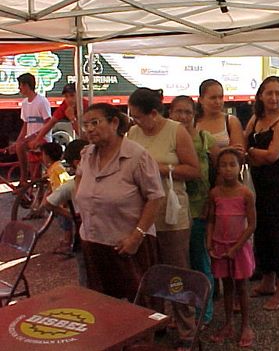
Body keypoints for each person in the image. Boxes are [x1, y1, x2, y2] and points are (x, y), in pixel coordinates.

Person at [127, 88, 199, 349]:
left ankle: (187, 330)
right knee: (149, 271)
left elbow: (194, 170)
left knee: (176, 271)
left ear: (154, 114)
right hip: (143, 213)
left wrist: (160, 168)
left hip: (171, 212)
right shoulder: (133, 133)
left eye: (137, 116)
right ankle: (154, 323)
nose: (133, 121)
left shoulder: (175, 130)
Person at [75, 103, 164, 302]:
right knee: (103, 304)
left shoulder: (137, 156)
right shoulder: (87, 154)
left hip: (128, 245)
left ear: (114, 123)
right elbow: (79, 178)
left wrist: (136, 237)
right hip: (93, 242)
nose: (89, 129)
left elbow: (155, 197)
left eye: (95, 123)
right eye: (86, 124)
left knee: (138, 305)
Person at [246, 76, 279, 311]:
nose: (274, 98)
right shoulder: (257, 118)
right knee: (263, 235)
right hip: (260, 187)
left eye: (278, 93)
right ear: (260, 95)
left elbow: (272, 155)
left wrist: (249, 152)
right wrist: (253, 153)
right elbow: (245, 142)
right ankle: (267, 281)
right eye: (269, 93)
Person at [169, 95, 218, 328]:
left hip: (200, 209)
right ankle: (183, 311)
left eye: (188, 112)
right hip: (172, 211)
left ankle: (204, 311)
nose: (183, 116)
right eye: (178, 111)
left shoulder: (204, 139)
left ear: (194, 114)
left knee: (200, 262)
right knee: (179, 265)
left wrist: (212, 203)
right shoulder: (166, 139)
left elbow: (216, 175)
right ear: (170, 114)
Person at [207, 148, 256, 348]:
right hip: (220, 246)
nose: (228, 169)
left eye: (232, 165)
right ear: (218, 169)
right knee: (226, 286)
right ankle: (228, 323)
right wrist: (209, 241)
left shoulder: (246, 193)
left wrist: (237, 247)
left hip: (239, 247)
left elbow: (252, 224)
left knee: (242, 287)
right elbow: (211, 219)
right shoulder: (215, 193)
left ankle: (245, 325)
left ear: (239, 167)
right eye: (223, 165)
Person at [44, 139, 89, 284]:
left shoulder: (70, 184)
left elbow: (48, 203)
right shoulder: (72, 185)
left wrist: (70, 216)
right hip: (84, 237)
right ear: (78, 162)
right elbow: (48, 203)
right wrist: (70, 215)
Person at [16, 73, 52, 185]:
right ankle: (32, 190)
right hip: (32, 140)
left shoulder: (42, 101)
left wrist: (36, 137)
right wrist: (19, 139)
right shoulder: (25, 103)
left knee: (20, 147)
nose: (19, 88)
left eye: (20, 85)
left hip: (42, 139)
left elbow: (48, 122)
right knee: (35, 176)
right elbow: (25, 124)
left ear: (26, 86)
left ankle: (23, 178)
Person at [30, 83, 87, 149]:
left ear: (79, 95)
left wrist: (72, 119)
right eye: (66, 96)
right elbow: (50, 123)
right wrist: (37, 140)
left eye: (72, 95)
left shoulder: (86, 106)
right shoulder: (65, 105)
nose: (69, 99)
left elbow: (85, 137)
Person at [196, 79, 245, 151]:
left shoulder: (231, 122)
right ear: (201, 100)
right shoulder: (193, 122)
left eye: (220, 97)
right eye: (213, 98)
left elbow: (239, 152)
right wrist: (226, 150)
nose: (217, 102)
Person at [40, 141, 72, 253]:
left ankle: (67, 243)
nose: (42, 157)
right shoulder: (56, 167)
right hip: (63, 199)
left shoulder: (55, 169)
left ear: (48, 156)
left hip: (62, 201)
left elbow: (60, 185)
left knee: (65, 222)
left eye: (43, 154)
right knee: (64, 222)